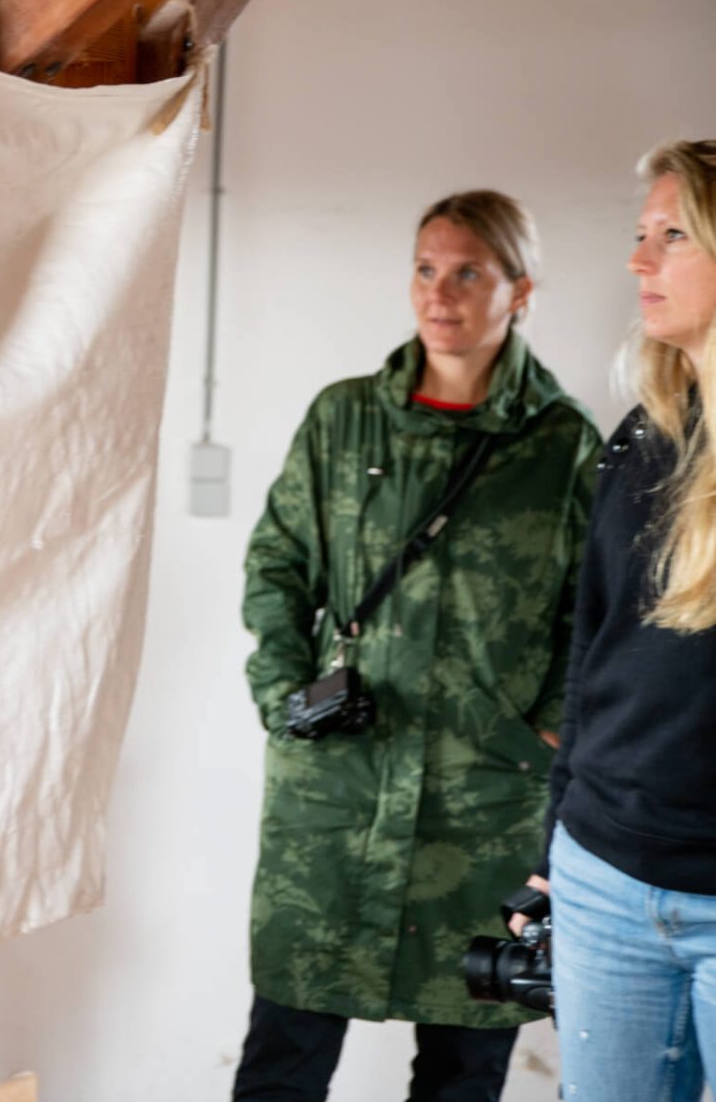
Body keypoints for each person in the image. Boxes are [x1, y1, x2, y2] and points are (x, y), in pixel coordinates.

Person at [233, 190, 601, 1101]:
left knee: (464, 1068)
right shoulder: (344, 420)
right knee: (286, 1051)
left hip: (485, 805)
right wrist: (285, 701)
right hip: (338, 791)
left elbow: (594, 615)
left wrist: (550, 730)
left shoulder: (563, 449)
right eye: (427, 269)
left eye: (468, 272)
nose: (441, 295)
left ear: (520, 290)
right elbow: (277, 567)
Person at [526, 140, 716, 1101]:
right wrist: (556, 839)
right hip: (603, 876)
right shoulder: (641, 435)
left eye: (672, 236)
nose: (639, 261)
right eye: (638, 235)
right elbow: (590, 654)